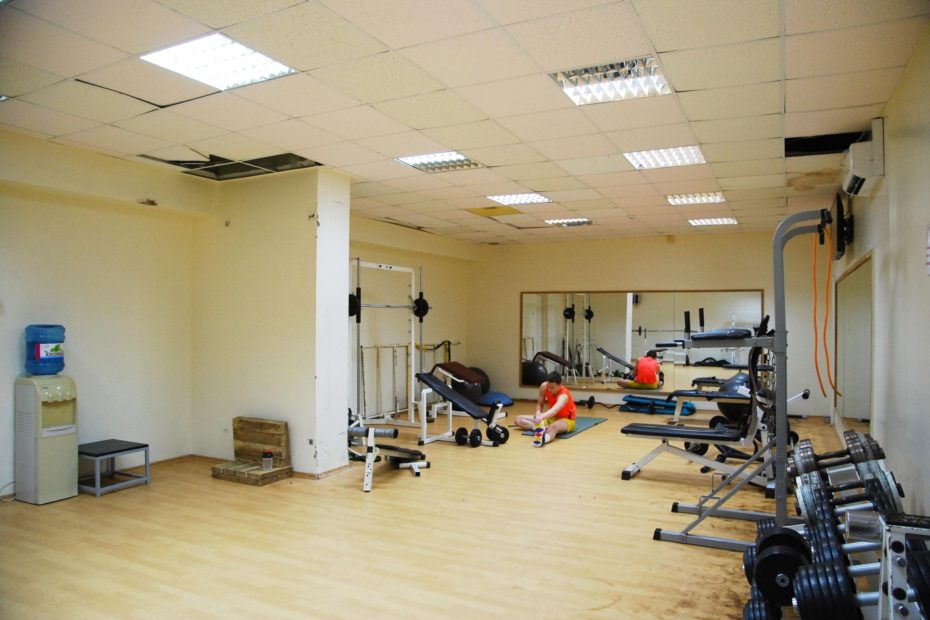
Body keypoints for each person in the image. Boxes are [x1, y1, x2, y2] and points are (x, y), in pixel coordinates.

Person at [515, 371, 576, 447]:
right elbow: (540, 404)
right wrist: (538, 412)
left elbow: (554, 410)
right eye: (548, 386)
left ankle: (542, 439)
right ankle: (541, 428)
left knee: (554, 427)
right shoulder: (544, 386)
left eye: (552, 387)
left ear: (560, 385)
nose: (549, 389)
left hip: (566, 421)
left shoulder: (564, 395)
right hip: (550, 418)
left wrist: (541, 416)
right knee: (518, 419)